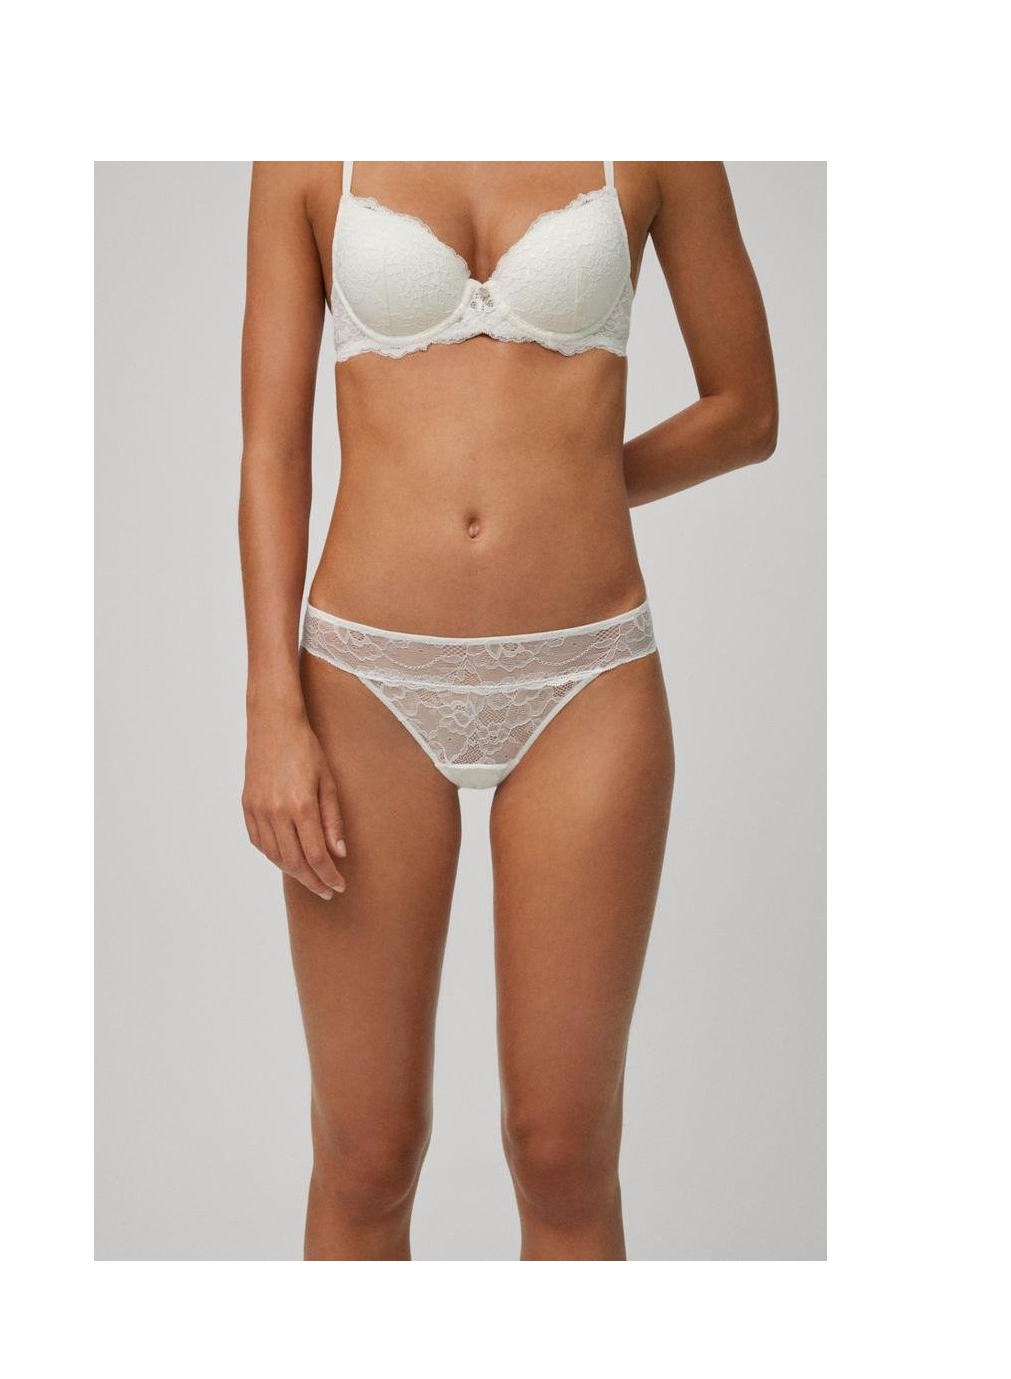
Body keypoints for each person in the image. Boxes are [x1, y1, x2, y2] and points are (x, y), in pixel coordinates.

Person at [238, 161, 777, 1260]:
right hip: (363, 681)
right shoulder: (307, 148)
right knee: (365, 1153)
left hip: (586, 679)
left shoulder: (657, 138)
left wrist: (574, 480)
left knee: (563, 1156)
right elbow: (273, 452)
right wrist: (271, 713)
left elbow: (746, 411)